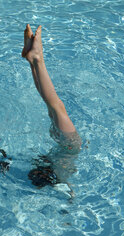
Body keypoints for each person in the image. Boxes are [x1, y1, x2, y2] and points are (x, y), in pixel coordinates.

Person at [21, 24, 82, 197]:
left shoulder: (62, 177)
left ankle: (37, 60)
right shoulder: (60, 176)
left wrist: (70, 199)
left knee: (55, 104)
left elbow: (70, 193)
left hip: (70, 145)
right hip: (64, 144)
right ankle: (33, 61)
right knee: (51, 103)